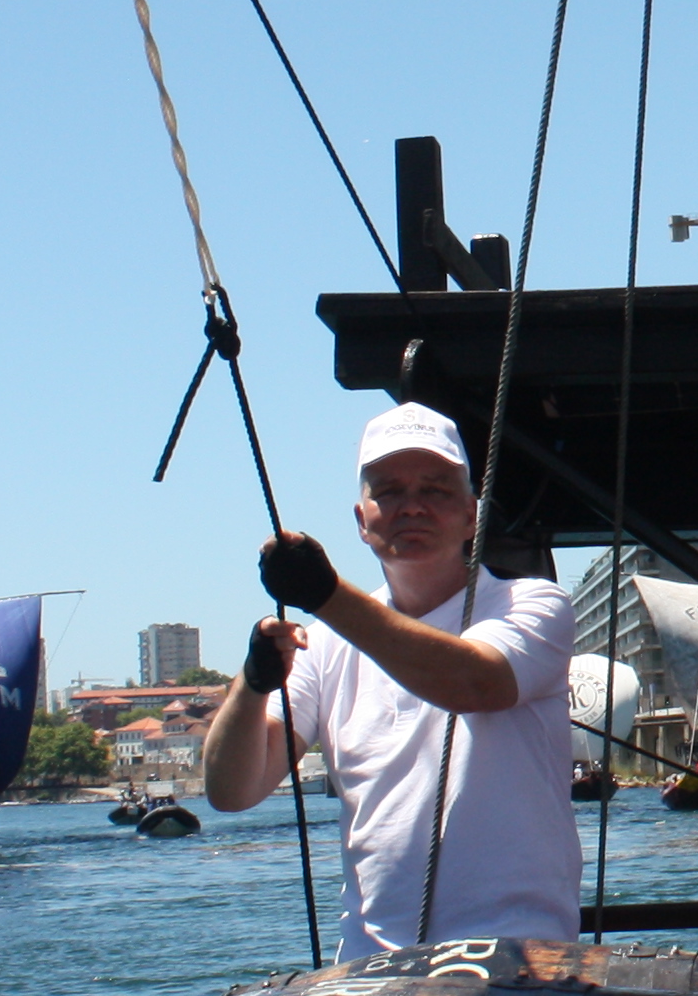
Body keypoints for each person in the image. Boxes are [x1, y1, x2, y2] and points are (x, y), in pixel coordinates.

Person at [203, 404, 581, 953]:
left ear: (473, 515)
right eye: (389, 491)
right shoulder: (325, 643)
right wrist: (254, 681)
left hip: (518, 957)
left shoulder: (535, 605)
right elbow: (231, 791)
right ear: (361, 520)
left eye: (436, 489)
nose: (413, 507)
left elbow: (474, 683)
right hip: (370, 973)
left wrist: (326, 595)